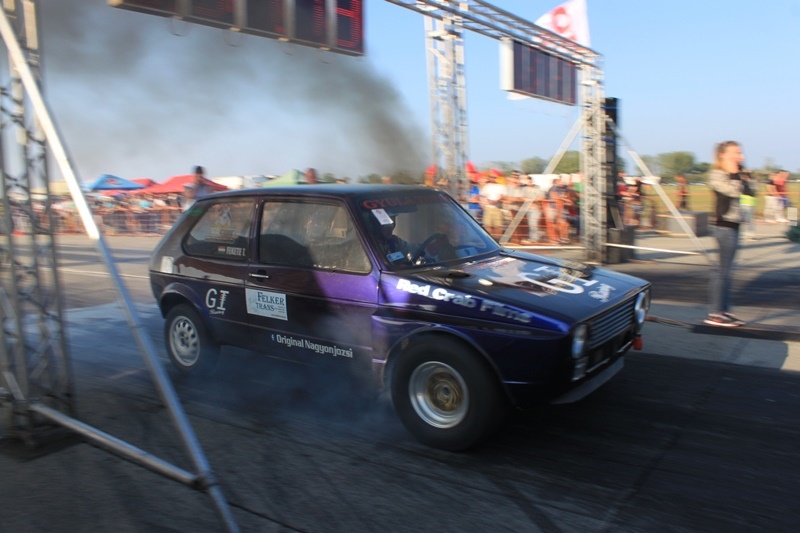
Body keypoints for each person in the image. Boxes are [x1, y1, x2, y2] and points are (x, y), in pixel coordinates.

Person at [705, 141, 747, 328]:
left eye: (740, 152)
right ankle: (715, 313)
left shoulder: (738, 173)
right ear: (723, 155)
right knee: (721, 272)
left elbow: (749, 192)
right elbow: (733, 190)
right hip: (723, 227)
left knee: (728, 272)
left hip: (735, 225)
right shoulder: (717, 174)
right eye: (735, 152)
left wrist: (740, 172)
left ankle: (724, 310)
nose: (740, 156)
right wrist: (735, 173)